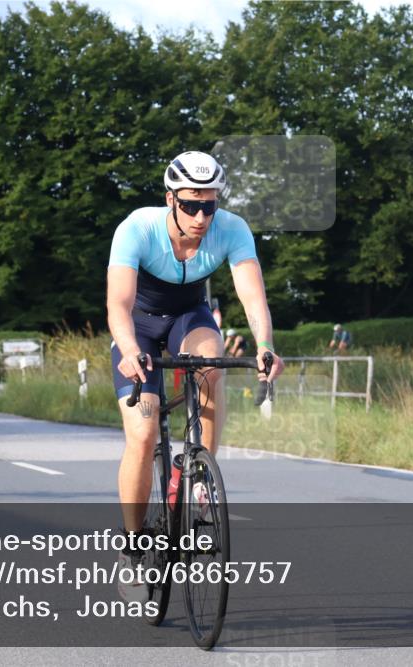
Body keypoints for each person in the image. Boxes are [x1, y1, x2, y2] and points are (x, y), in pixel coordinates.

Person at [107, 150, 284, 601]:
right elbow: (119, 305)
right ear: (170, 199)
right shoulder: (137, 228)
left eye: (211, 204)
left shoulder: (232, 229)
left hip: (189, 315)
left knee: (212, 363)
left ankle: (198, 473)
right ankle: (131, 546)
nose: (202, 216)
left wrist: (265, 348)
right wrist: (129, 350)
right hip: (140, 327)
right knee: (144, 434)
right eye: (191, 205)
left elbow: (252, 297)